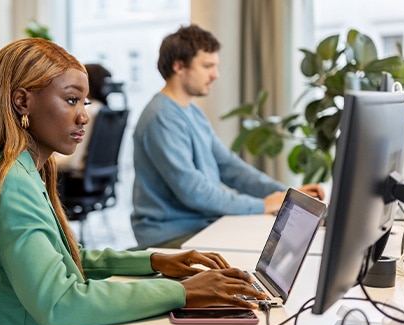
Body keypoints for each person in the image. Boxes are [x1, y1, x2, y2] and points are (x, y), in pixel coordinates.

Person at [0, 38, 265, 325]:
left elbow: (67, 259)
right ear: (22, 102)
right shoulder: (12, 182)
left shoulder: (20, 170)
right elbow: (60, 303)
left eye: (84, 103)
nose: (84, 116)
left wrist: (153, 261)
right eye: (71, 100)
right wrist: (180, 292)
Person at [131, 24, 325, 249]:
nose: (215, 74)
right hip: (171, 234)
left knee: (284, 239)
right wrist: (263, 205)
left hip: (201, 225)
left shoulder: (191, 111)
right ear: (179, 66)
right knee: (271, 246)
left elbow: (229, 166)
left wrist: (284, 194)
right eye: (207, 66)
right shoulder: (161, 117)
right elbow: (194, 192)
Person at [54, 63, 112, 173]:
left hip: (73, 183)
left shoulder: (90, 112)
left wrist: (45, 160)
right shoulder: (105, 111)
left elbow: (72, 163)